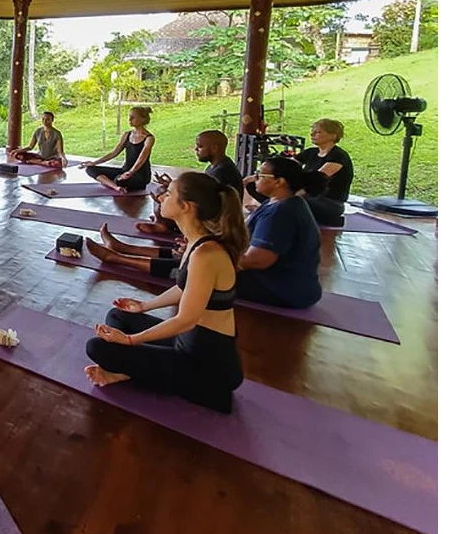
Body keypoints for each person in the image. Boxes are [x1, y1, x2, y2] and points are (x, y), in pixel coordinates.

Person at [83, 172, 246, 414]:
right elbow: (183, 288)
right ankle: (127, 371)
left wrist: (130, 340)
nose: (162, 196)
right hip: (186, 342)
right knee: (119, 317)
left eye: (169, 194)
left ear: (186, 207)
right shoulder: (196, 242)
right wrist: (144, 306)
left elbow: (186, 319)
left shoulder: (206, 254)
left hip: (209, 366)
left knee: (97, 347)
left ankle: (128, 372)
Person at [87, 156, 324, 309]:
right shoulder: (279, 203)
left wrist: (211, 257)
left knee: (195, 268)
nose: (254, 178)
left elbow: (258, 261)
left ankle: (116, 258)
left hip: (283, 288)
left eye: (262, 175)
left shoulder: (282, 213)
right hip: (282, 282)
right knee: (194, 252)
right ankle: (123, 249)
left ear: (280, 182)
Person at [245, 119, 352, 227]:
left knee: (292, 200)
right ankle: (272, 208)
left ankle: (272, 209)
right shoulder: (311, 152)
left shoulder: (338, 156)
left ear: (333, 136)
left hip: (328, 202)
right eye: (312, 131)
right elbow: (287, 167)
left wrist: (291, 195)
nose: (312, 134)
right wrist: (258, 176)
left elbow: (315, 180)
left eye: (318, 132)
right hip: (307, 196)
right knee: (255, 186)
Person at [137, 130, 244, 236]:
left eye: (200, 146)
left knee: (161, 192)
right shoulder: (218, 165)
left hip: (214, 218)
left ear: (214, 148)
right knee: (165, 190)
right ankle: (163, 219)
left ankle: (164, 224)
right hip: (210, 211)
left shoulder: (221, 171)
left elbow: (202, 198)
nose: (196, 149)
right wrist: (172, 184)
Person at [79, 106, 154, 192]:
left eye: (133, 117)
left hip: (140, 175)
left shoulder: (149, 138)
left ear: (142, 119)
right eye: (129, 116)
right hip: (124, 171)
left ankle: (116, 182)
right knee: (90, 169)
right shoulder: (127, 134)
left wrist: (131, 172)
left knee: (120, 180)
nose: (129, 119)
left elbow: (142, 158)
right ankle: (116, 187)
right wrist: (94, 163)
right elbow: (114, 152)